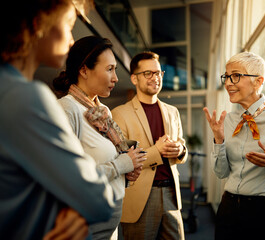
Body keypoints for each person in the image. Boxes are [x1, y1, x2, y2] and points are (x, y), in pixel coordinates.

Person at [0, 1, 116, 239]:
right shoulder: (28, 98)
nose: (72, 40)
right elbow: (99, 200)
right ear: (39, 24)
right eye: (69, 24)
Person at [53, 35, 146, 240]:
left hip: (109, 220)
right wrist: (121, 165)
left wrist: (129, 168)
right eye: (109, 69)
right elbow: (68, 178)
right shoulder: (67, 109)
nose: (116, 78)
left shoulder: (102, 110)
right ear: (84, 69)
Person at [203, 52, 265, 240]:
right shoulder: (227, 120)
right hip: (229, 209)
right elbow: (221, 173)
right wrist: (218, 139)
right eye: (226, 77)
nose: (228, 83)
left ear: (258, 81)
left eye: (235, 76)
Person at [111, 51, 188, 240]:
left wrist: (180, 151)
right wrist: (157, 151)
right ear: (134, 79)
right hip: (140, 197)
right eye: (148, 73)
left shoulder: (173, 112)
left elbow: (183, 147)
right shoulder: (120, 114)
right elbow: (121, 161)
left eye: (158, 73)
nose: (155, 78)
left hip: (172, 194)